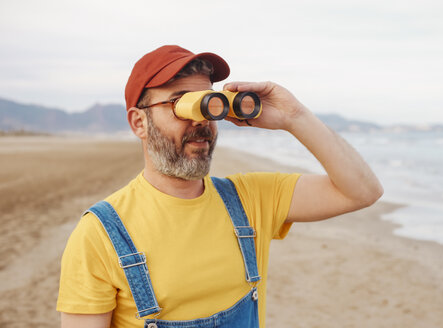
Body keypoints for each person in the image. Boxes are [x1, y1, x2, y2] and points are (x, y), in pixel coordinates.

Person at [57, 45, 383, 328]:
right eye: (180, 104)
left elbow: (363, 190)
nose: (200, 120)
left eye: (206, 104)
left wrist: (294, 117)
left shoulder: (251, 198)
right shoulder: (99, 235)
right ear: (139, 122)